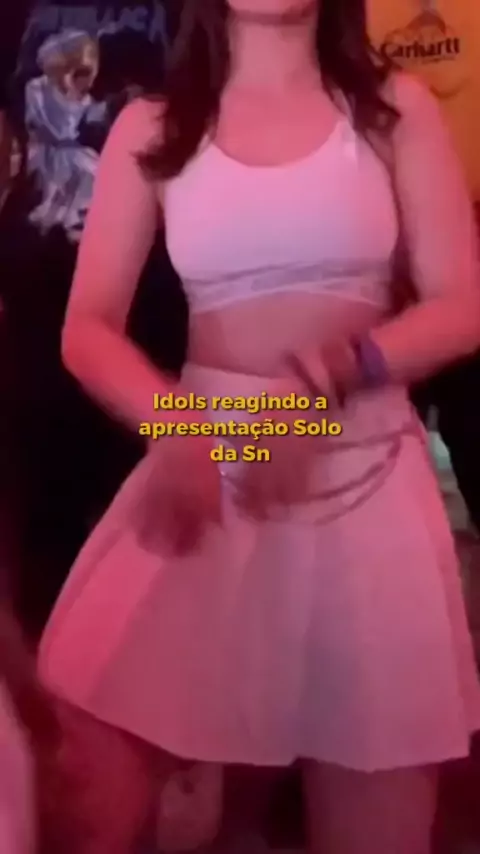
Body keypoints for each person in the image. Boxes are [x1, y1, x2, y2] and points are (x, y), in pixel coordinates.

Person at [37, 0, 480, 852]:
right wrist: (175, 424)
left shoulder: (395, 109)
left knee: (376, 814)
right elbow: (87, 328)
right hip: (208, 468)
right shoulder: (153, 127)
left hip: (364, 479)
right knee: (84, 772)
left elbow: (460, 305)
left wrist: (334, 371)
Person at [0, 0, 188, 637]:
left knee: (155, 533)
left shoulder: (196, 13)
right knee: (43, 522)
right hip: (36, 292)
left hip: (163, 297)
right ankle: (53, 681)